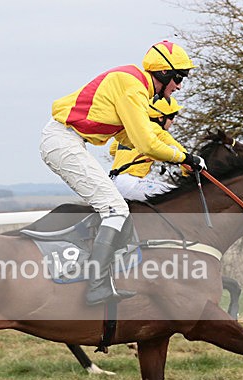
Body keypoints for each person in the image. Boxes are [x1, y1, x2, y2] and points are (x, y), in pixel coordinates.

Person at [40, 40, 206, 305]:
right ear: (163, 73)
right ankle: (96, 286)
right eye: (178, 78)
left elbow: (145, 136)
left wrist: (183, 159)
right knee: (116, 210)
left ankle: (100, 276)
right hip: (63, 142)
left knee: (115, 209)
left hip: (67, 142)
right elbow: (147, 143)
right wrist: (183, 157)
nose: (179, 86)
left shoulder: (134, 85)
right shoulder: (133, 87)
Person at [109, 96, 186, 201]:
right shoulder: (158, 132)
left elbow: (113, 150)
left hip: (112, 182)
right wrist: (188, 175)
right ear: (160, 117)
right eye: (172, 116)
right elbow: (185, 156)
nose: (173, 121)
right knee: (180, 196)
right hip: (130, 183)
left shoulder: (131, 128)